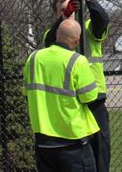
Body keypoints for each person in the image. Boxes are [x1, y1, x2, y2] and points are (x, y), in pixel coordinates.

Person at [44, 0, 110, 172]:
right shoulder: (52, 33)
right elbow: (49, 42)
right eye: (64, 10)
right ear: (56, 14)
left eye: (73, 8)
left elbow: (102, 20)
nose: (69, 12)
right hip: (67, 103)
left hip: (93, 99)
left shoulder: (88, 29)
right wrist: (63, 19)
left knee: (101, 150)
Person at [24, 19, 99, 172]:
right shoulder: (77, 61)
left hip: (43, 140)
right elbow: (90, 97)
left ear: (57, 34)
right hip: (73, 141)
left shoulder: (33, 58)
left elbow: (27, 92)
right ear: (77, 40)